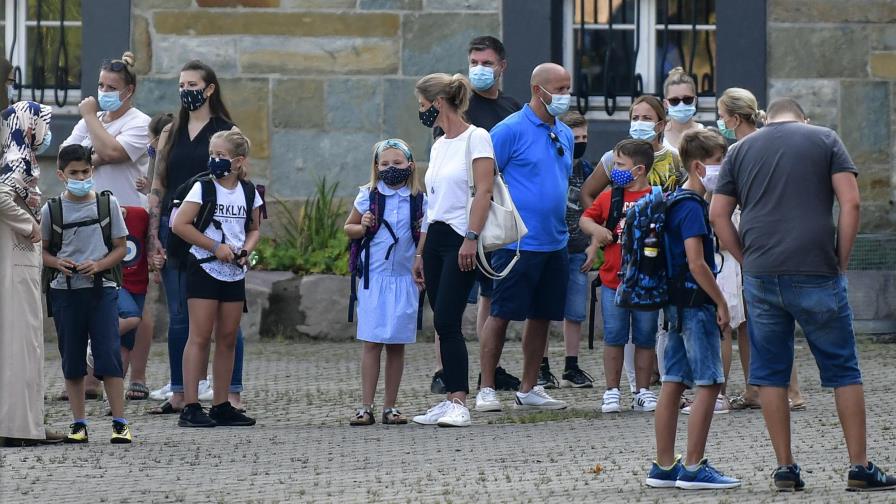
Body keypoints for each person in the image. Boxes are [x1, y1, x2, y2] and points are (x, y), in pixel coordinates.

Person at [710, 97, 896, 492]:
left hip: (762, 272)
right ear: (803, 119)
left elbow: (718, 214)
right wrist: (841, 259)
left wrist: (745, 257)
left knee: (771, 374)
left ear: (768, 118)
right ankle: (859, 468)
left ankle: (786, 469)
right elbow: (852, 202)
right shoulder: (825, 139)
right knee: (843, 369)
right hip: (817, 268)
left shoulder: (740, 150)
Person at [147, 60, 245, 413]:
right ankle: (179, 392)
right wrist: (152, 236)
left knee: (224, 316)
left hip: (215, 231)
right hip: (175, 230)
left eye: (192, 84)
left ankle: (230, 392)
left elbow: (238, 184)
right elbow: (158, 182)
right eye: (181, 84)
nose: (186, 90)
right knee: (179, 316)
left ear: (209, 88)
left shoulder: (225, 130)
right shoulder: (172, 130)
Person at [645, 128, 740, 490]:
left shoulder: (674, 200)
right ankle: (694, 466)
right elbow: (697, 263)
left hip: (673, 306)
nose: (724, 170)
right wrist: (721, 301)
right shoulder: (692, 208)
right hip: (695, 304)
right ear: (699, 166)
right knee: (710, 382)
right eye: (720, 162)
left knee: (673, 381)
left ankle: (664, 466)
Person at [475, 62, 572, 413]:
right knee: (501, 313)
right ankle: (486, 387)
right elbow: (484, 180)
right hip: (518, 243)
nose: (565, 96)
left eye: (567, 88)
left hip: (555, 241)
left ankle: (529, 388)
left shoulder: (565, 132)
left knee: (543, 316)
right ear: (538, 90)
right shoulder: (508, 130)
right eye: (559, 89)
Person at [430, 35, 523, 395]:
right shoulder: (457, 116)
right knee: (446, 313)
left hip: (485, 221)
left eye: (486, 62)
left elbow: (494, 178)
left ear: (502, 66)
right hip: (453, 223)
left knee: (489, 297)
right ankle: (446, 372)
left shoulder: (511, 110)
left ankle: (488, 368)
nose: (479, 69)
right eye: (474, 62)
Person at [579, 95, 685, 393]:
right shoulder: (615, 159)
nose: (639, 124)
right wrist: (599, 233)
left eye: (646, 118)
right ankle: (626, 385)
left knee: (652, 328)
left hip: (656, 261)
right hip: (618, 265)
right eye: (634, 117)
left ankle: (659, 385)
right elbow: (590, 198)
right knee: (617, 330)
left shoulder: (675, 159)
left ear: (661, 124)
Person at [411, 73, 494, 428]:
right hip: (438, 238)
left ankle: (459, 399)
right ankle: (449, 398)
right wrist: (420, 252)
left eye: (422, 105)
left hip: (462, 237)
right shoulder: (439, 143)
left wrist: (471, 237)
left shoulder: (477, 138)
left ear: (438, 103)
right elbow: (433, 203)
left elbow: (483, 191)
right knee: (439, 322)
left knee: (448, 319)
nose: (421, 111)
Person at [714, 87, 805, 412]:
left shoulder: (741, 151)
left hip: (751, 241)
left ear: (735, 118)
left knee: (765, 322)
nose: (720, 122)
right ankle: (758, 389)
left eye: (722, 116)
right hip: (770, 238)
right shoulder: (769, 144)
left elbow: (725, 206)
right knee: (755, 324)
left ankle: (789, 391)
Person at [42, 144, 132, 444]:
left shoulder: (107, 205)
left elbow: (120, 247)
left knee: (108, 354)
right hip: (65, 293)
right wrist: (58, 263)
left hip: (102, 290)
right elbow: (40, 251)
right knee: (72, 357)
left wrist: (99, 265)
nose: (80, 177)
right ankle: (78, 422)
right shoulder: (51, 210)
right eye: (73, 173)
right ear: (61, 175)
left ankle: (119, 422)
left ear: (91, 171)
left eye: (84, 171)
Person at [173, 130, 261, 428]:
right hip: (204, 266)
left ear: (238, 161)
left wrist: (246, 250)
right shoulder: (202, 188)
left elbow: (254, 228)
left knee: (227, 338)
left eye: (221, 156)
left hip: (234, 271)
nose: (215, 160)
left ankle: (222, 403)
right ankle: (191, 405)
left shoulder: (249, 191)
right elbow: (179, 225)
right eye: (212, 155)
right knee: (199, 336)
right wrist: (214, 247)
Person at [345, 139, 424, 426]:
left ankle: (390, 406)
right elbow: (349, 228)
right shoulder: (368, 196)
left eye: (397, 163)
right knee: (372, 342)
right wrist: (362, 224)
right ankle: (365, 405)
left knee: (397, 344)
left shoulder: (418, 199)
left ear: (410, 166)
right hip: (373, 280)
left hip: (403, 279)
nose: (391, 168)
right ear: (376, 168)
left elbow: (424, 232)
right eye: (385, 164)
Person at [579, 139, 659, 414]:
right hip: (614, 281)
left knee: (646, 337)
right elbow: (586, 218)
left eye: (620, 165)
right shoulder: (610, 196)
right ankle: (612, 390)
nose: (615, 169)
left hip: (647, 283)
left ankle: (643, 390)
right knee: (614, 335)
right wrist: (596, 231)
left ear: (638, 170)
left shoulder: (656, 198)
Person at [0, 99, 63, 447]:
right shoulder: (18, 159)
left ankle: (25, 423)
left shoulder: (19, 157)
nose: (47, 133)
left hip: (17, 262)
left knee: (22, 347)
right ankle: (20, 427)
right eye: (44, 124)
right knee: (24, 346)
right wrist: (29, 224)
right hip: (17, 263)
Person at [539, 110, 597, 389]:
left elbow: (596, 210)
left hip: (577, 247)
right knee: (545, 309)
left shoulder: (587, 170)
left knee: (574, 309)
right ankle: (541, 366)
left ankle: (571, 365)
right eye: (576, 137)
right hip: (550, 245)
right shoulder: (551, 165)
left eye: (585, 137)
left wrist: (593, 245)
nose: (581, 142)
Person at [126, 112, 175, 401]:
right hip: (148, 235)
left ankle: (183, 380)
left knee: (173, 314)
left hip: (158, 235)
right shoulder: (154, 159)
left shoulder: (165, 157)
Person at [61, 52, 150, 208]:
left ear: (129, 90)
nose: (104, 91)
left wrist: (89, 116)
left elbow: (111, 153)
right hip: (87, 210)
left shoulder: (140, 123)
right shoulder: (90, 120)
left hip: (126, 211)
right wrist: (97, 158)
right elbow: (64, 158)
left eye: (111, 87)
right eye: (101, 85)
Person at [662, 67, 705, 151]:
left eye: (687, 99)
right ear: (665, 104)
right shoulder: (658, 137)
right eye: (674, 100)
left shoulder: (707, 135)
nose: (681, 104)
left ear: (695, 101)